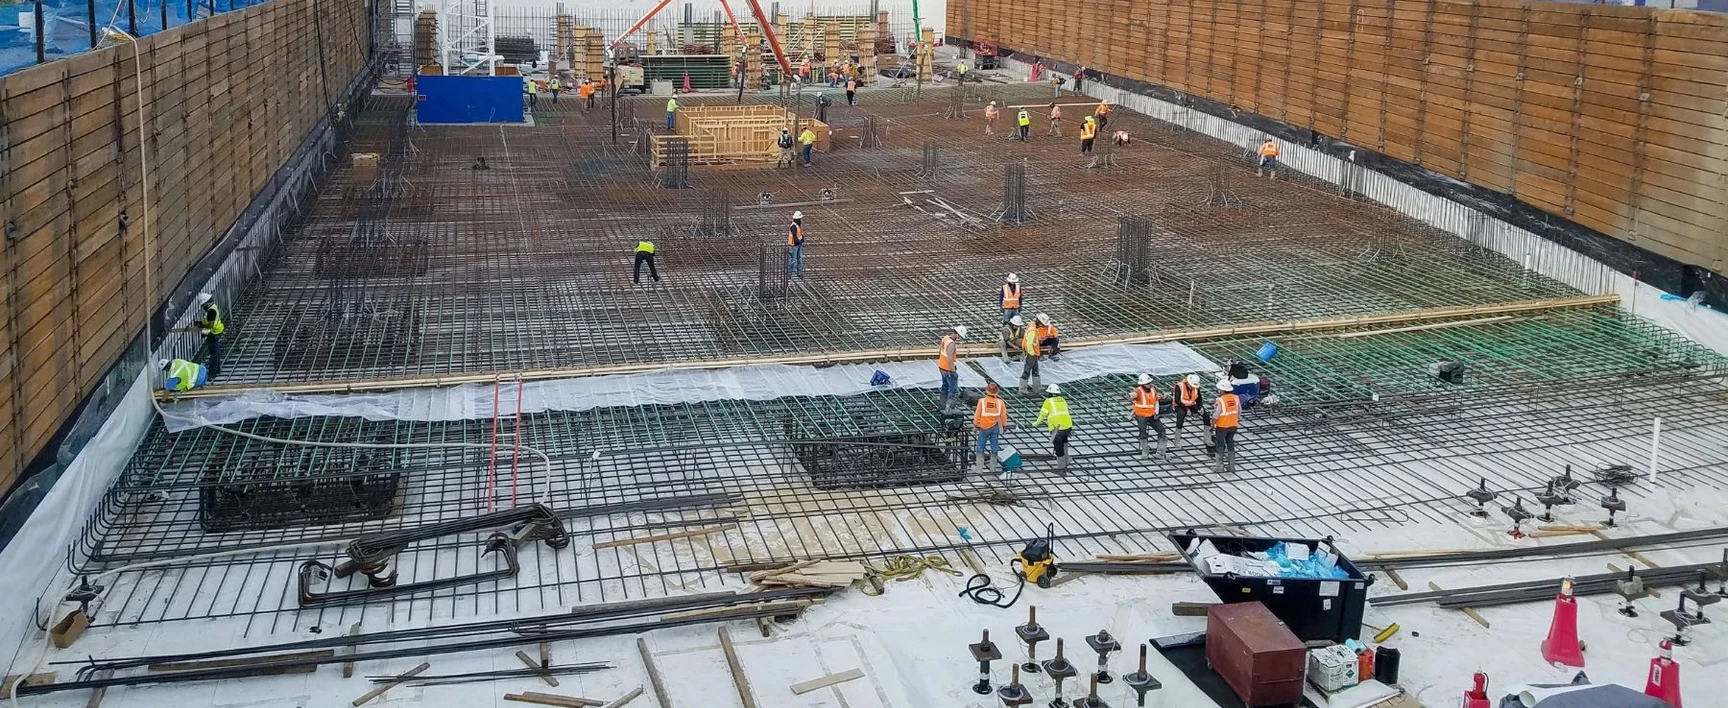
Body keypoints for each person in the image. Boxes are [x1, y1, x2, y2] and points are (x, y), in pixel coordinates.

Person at [1035, 384, 1075, 471]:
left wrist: (1036, 423)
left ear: (1051, 393)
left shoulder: (1048, 401)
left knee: (1058, 448)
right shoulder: (1063, 400)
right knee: (1064, 442)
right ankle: (1066, 460)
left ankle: (1061, 468)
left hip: (1057, 429)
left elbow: (1043, 414)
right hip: (1068, 426)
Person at [1128, 374, 1167, 460]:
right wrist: (1130, 396)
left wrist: (1156, 412)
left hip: (1152, 414)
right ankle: (1145, 452)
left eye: (1150, 382)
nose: (1150, 384)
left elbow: (1156, 401)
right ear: (1142, 384)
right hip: (1141, 415)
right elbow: (1133, 394)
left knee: (1162, 432)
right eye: (1148, 383)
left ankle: (1160, 453)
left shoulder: (1153, 390)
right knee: (1143, 432)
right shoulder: (1138, 391)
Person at [973, 381, 1007, 474]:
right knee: (994, 447)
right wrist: (1004, 426)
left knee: (980, 447)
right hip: (995, 427)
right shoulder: (1000, 403)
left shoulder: (982, 401)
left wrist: (975, 425)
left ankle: (979, 469)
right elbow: (1003, 416)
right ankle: (993, 468)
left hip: (983, 427)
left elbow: (977, 415)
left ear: (986, 391)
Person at [1211, 379, 1241, 473]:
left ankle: (1219, 467)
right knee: (1230, 443)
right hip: (1233, 425)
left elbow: (1216, 415)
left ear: (1222, 390)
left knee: (1220, 445)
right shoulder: (1236, 398)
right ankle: (1231, 466)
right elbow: (1239, 411)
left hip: (1222, 426)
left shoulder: (1220, 400)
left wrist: (1212, 425)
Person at [1172, 373, 1210, 447]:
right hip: (1180, 405)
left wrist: (1200, 407)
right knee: (1181, 415)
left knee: (1206, 415)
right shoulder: (1179, 386)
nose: (1193, 387)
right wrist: (1186, 409)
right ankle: (1177, 441)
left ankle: (1208, 439)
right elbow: (1177, 400)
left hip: (1191, 404)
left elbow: (1199, 399)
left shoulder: (1196, 387)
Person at [938, 325, 968, 409]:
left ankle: (942, 406)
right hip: (948, 370)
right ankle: (949, 410)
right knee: (953, 391)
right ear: (957, 334)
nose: (959, 338)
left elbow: (940, 351)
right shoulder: (951, 344)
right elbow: (950, 358)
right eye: (960, 336)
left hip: (941, 367)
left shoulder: (945, 338)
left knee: (945, 387)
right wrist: (953, 371)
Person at [195, 292, 225, 375]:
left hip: (213, 333)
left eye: (203, 305)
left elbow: (210, 325)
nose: (202, 307)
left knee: (214, 353)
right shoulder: (212, 307)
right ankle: (217, 369)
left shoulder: (211, 311)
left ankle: (213, 372)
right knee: (216, 352)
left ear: (206, 303)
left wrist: (201, 325)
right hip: (215, 331)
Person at [1018, 317, 1043, 394]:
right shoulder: (1032, 330)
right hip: (1031, 353)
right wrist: (1032, 353)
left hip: (1033, 353)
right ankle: (1022, 390)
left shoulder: (1032, 328)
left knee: (1035, 370)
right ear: (1039, 322)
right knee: (1027, 371)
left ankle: (1037, 388)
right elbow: (1029, 343)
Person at [786, 211, 805, 276]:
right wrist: (799, 241)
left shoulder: (798, 225)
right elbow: (794, 236)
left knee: (799, 258)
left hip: (798, 245)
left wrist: (802, 239)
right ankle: (789, 273)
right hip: (793, 245)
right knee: (793, 260)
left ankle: (799, 272)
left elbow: (800, 234)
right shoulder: (793, 226)